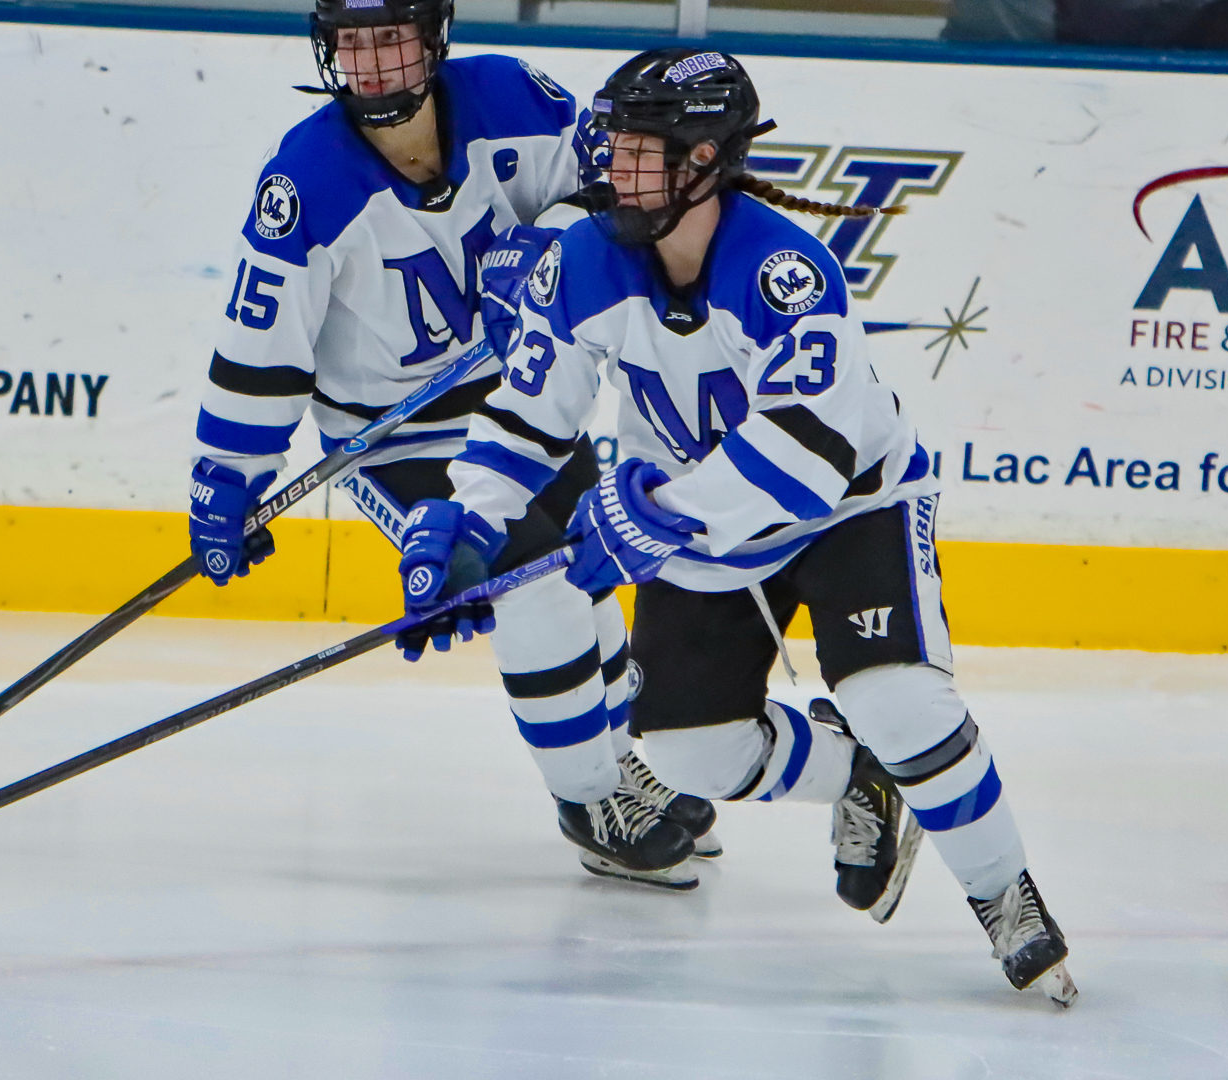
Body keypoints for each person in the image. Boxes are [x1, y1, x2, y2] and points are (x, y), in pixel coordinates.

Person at [399, 46, 1077, 1004]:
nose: (612, 170)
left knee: (897, 698)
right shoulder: (584, 262)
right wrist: (463, 526)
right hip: (700, 532)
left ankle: (1005, 894)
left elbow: (808, 453)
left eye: (641, 153)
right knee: (686, 751)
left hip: (851, 509)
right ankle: (857, 780)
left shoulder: (784, 271)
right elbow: (529, 416)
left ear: (705, 163)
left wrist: (655, 520)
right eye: (615, 149)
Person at [186, 0, 721, 888]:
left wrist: (547, 255)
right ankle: (591, 801)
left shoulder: (511, 96)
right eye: (352, 45)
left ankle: (627, 759)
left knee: (589, 574)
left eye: (390, 38)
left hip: (525, 401)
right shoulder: (305, 180)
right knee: (537, 586)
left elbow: (618, 190)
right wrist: (228, 478)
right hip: (392, 441)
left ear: (433, 37)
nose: (374, 66)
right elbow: (260, 345)